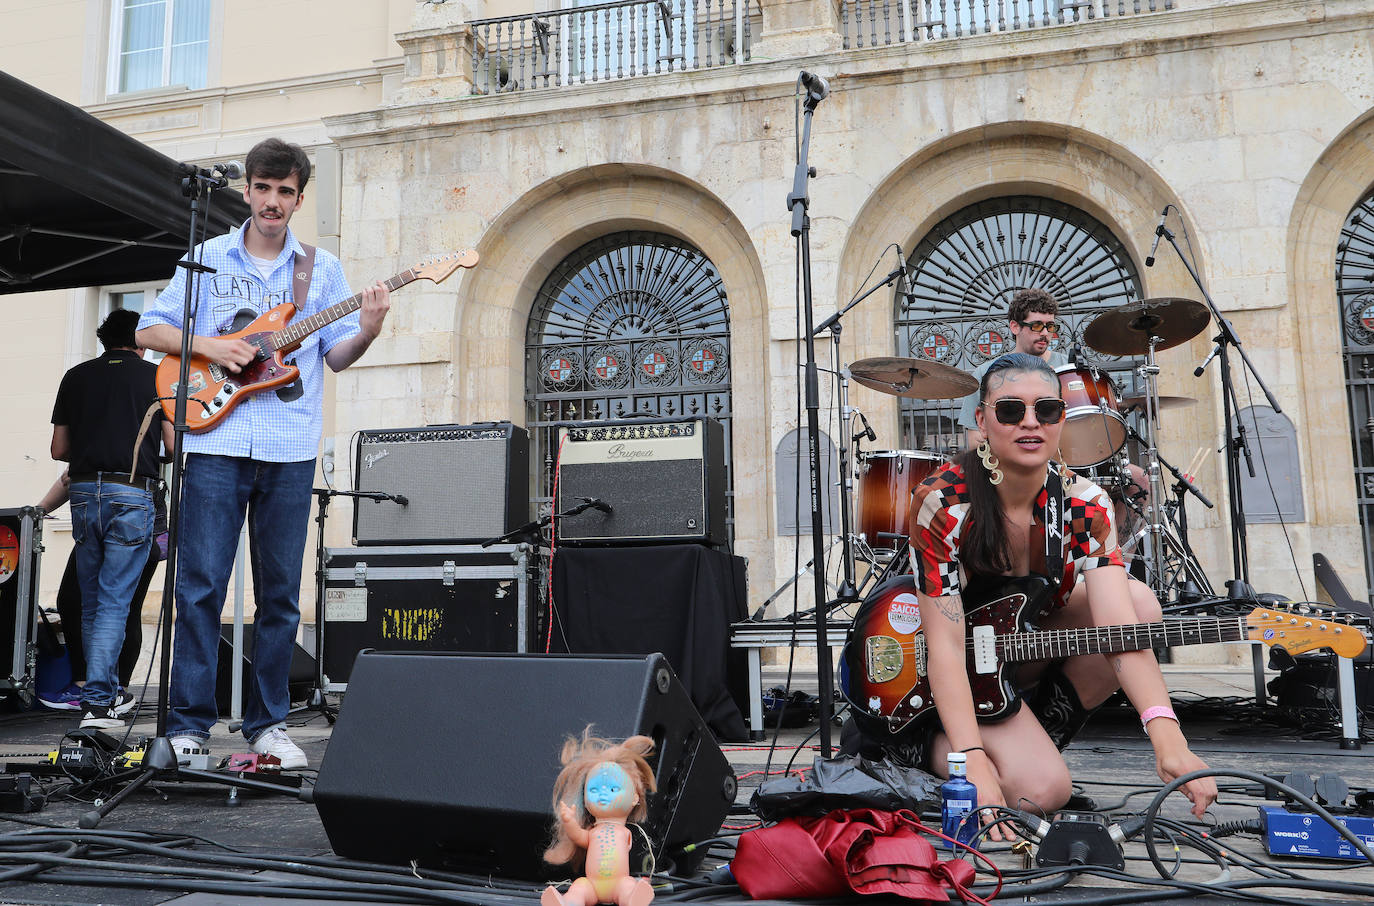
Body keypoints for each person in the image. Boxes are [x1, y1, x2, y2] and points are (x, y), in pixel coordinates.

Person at [854, 353, 1217, 838]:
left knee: (1140, 604)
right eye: (1010, 410)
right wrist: (972, 760)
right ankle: (926, 749)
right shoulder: (944, 500)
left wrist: (1167, 734)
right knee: (1043, 792)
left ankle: (1029, 741)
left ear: (1061, 419)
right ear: (982, 420)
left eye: (1046, 410)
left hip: (1015, 651)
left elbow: (1119, 628)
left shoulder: (1086, 503)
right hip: (947, 664)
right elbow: (944, 644)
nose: (1030, 422)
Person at [136, 138, 390, 769]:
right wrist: (213, 348)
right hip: (214, 442)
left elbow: (335, 357)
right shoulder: (207, 257)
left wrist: (368, 329)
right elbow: (149, 329)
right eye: (264, 188)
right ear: (246, 190)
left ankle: (267, 725)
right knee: (199, 587)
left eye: (286, 192)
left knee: (279, 595)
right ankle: (188, 727)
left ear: (299, 199)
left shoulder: (321, 270)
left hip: (289, 448)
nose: (273, 201)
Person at [49, 309, 173, 729]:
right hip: (132, 493)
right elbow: (172, 447)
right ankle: (100, 702)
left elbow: (58, 449)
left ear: (104, 339)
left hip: (83, 493)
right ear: (141, 341)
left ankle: (93, 693)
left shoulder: (75, 376)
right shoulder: (156, 377)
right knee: (116, 603)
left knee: (91, 602)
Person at [35, 469, 161, 711]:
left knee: (107, 606)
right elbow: (69, 475)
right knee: (106, 605)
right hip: (122, 519)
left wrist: (40, 510)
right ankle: (104, 687)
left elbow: (67, 473)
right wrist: (38, 511)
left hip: (124, 520)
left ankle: (103, 687)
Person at [957, 288, 1068, 450]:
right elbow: (975, 440)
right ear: (1015, 327)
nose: (1045, 333)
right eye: (1037, 326)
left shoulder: (1070, 368)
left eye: (1050, 326)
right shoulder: (986, 373)